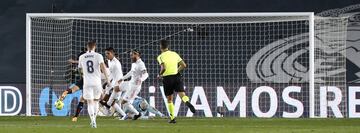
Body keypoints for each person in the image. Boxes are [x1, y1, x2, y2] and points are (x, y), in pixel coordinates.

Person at [157, 39, 195, 124]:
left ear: (161, 47)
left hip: (167, 78)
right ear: (168, 46)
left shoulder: (160, 56)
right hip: (177, 77)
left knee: (170, 99)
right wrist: (177, 70)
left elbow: (164, 68)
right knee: (182, 95)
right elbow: (184, 65)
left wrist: (160, 75)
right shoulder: (174, 54)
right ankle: (187, 102)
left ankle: (172, 118)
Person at [78, 41, 110, 128]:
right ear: (94, 47)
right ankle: (94, 121)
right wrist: (108, 80)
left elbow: (80, 70)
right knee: (96, 101)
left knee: (89, 102)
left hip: (87, 82)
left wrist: (84, 75)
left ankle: (92, 121)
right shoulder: (98, 56)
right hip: (97, 82)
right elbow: (103, 67)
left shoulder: (81, 57)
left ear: (87, 47)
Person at [117, 49, 149, 120]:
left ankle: (136, 114)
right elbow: (131, 72)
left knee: (124, 102)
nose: (130, 57)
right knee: (121, 96)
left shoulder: (141, 64)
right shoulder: (134, 64)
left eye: (132, 55)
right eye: (130, 55)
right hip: (130, 84)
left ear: (136, 55)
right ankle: (131, 114)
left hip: (135, 87)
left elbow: (146, 74)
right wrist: (122, 78)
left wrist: (141, 79)